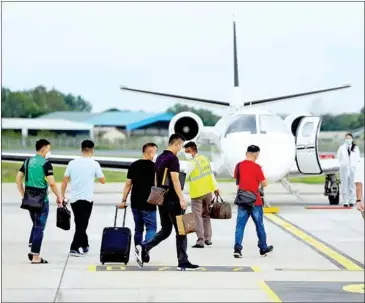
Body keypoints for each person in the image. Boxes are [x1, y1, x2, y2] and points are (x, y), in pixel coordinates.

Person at [135, 133, 199, 271]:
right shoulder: (173, 159)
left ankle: (145, 246)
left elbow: (157, 179)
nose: (181, 149)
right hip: (172, 199)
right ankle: (183, 261)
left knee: (166, 229)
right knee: (181, 230)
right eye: (181, 146)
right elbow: (175, 179)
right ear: (176, 144)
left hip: (161, 198)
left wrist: (158, 195)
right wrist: (182, 198)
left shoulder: (159, 157)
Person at [15, 139, 63, 264]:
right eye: (48, 148)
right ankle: (35, 255)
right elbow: (52, 183)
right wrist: (59, 196)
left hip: (29, 200)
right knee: (39, 227)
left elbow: (18, 179)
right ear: (43, 149)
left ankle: (32, 247)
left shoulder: (27, 161)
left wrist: (23, 194)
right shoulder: (46, 164)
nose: (49, 151)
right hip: (42, 200)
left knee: (36, 224)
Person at [61, 140, 106, 257]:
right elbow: (103, 181)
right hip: (87, 198)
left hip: (74, 198)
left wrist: (61, 195)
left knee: (80, 222)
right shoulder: (95, 164)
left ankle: (85, 245)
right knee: (82, 224)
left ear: (81, 149)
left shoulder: (72, 163)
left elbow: (64, 180)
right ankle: (74, 248)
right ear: (92, 150)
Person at [118, 143, 158, 259]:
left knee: (138, 229)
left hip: (135, 202)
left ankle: (137, 251)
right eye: (155, 152)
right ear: (150, 152)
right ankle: (145, 248)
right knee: (151, 228)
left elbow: (128, 184)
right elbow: (157, 185)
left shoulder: (134, 165)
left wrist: (123, 200)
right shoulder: (154, 167)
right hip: (149, 202)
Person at [233, 145, 273, 258]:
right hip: (255, 201)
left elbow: (237, 183)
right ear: (256, 154)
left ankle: (237, 249)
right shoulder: (257, 167)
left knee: (240, 226)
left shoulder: (239, 166)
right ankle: (263, 249)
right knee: (259, 225)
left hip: (242, 200)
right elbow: (265, 184)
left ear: (246, 153)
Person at [184, 141, 219, 248]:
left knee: (197, 216)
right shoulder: (204, 159)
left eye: (188, 151)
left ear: (193, 150)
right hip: (208, 191)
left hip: (197, 193)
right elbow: (211, 174)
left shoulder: (192, 163)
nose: (186, 154)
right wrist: (216, 187)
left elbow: (184, 174)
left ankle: (200, 240)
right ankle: (208, 238)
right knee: (206, 215)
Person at [337, 133, 361, 207]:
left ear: (352, 139)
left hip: (352, 168)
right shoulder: (341, 147)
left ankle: (352, 200)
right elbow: (339, 157)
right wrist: (343, 164)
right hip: (344, 168)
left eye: (349, 138)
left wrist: (355, 165)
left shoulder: (355, 147)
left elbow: (358, 158)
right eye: (347, 138)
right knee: (344, 185)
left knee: (352, 185)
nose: (348, 139)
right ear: (345, 139)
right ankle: (345, 201)